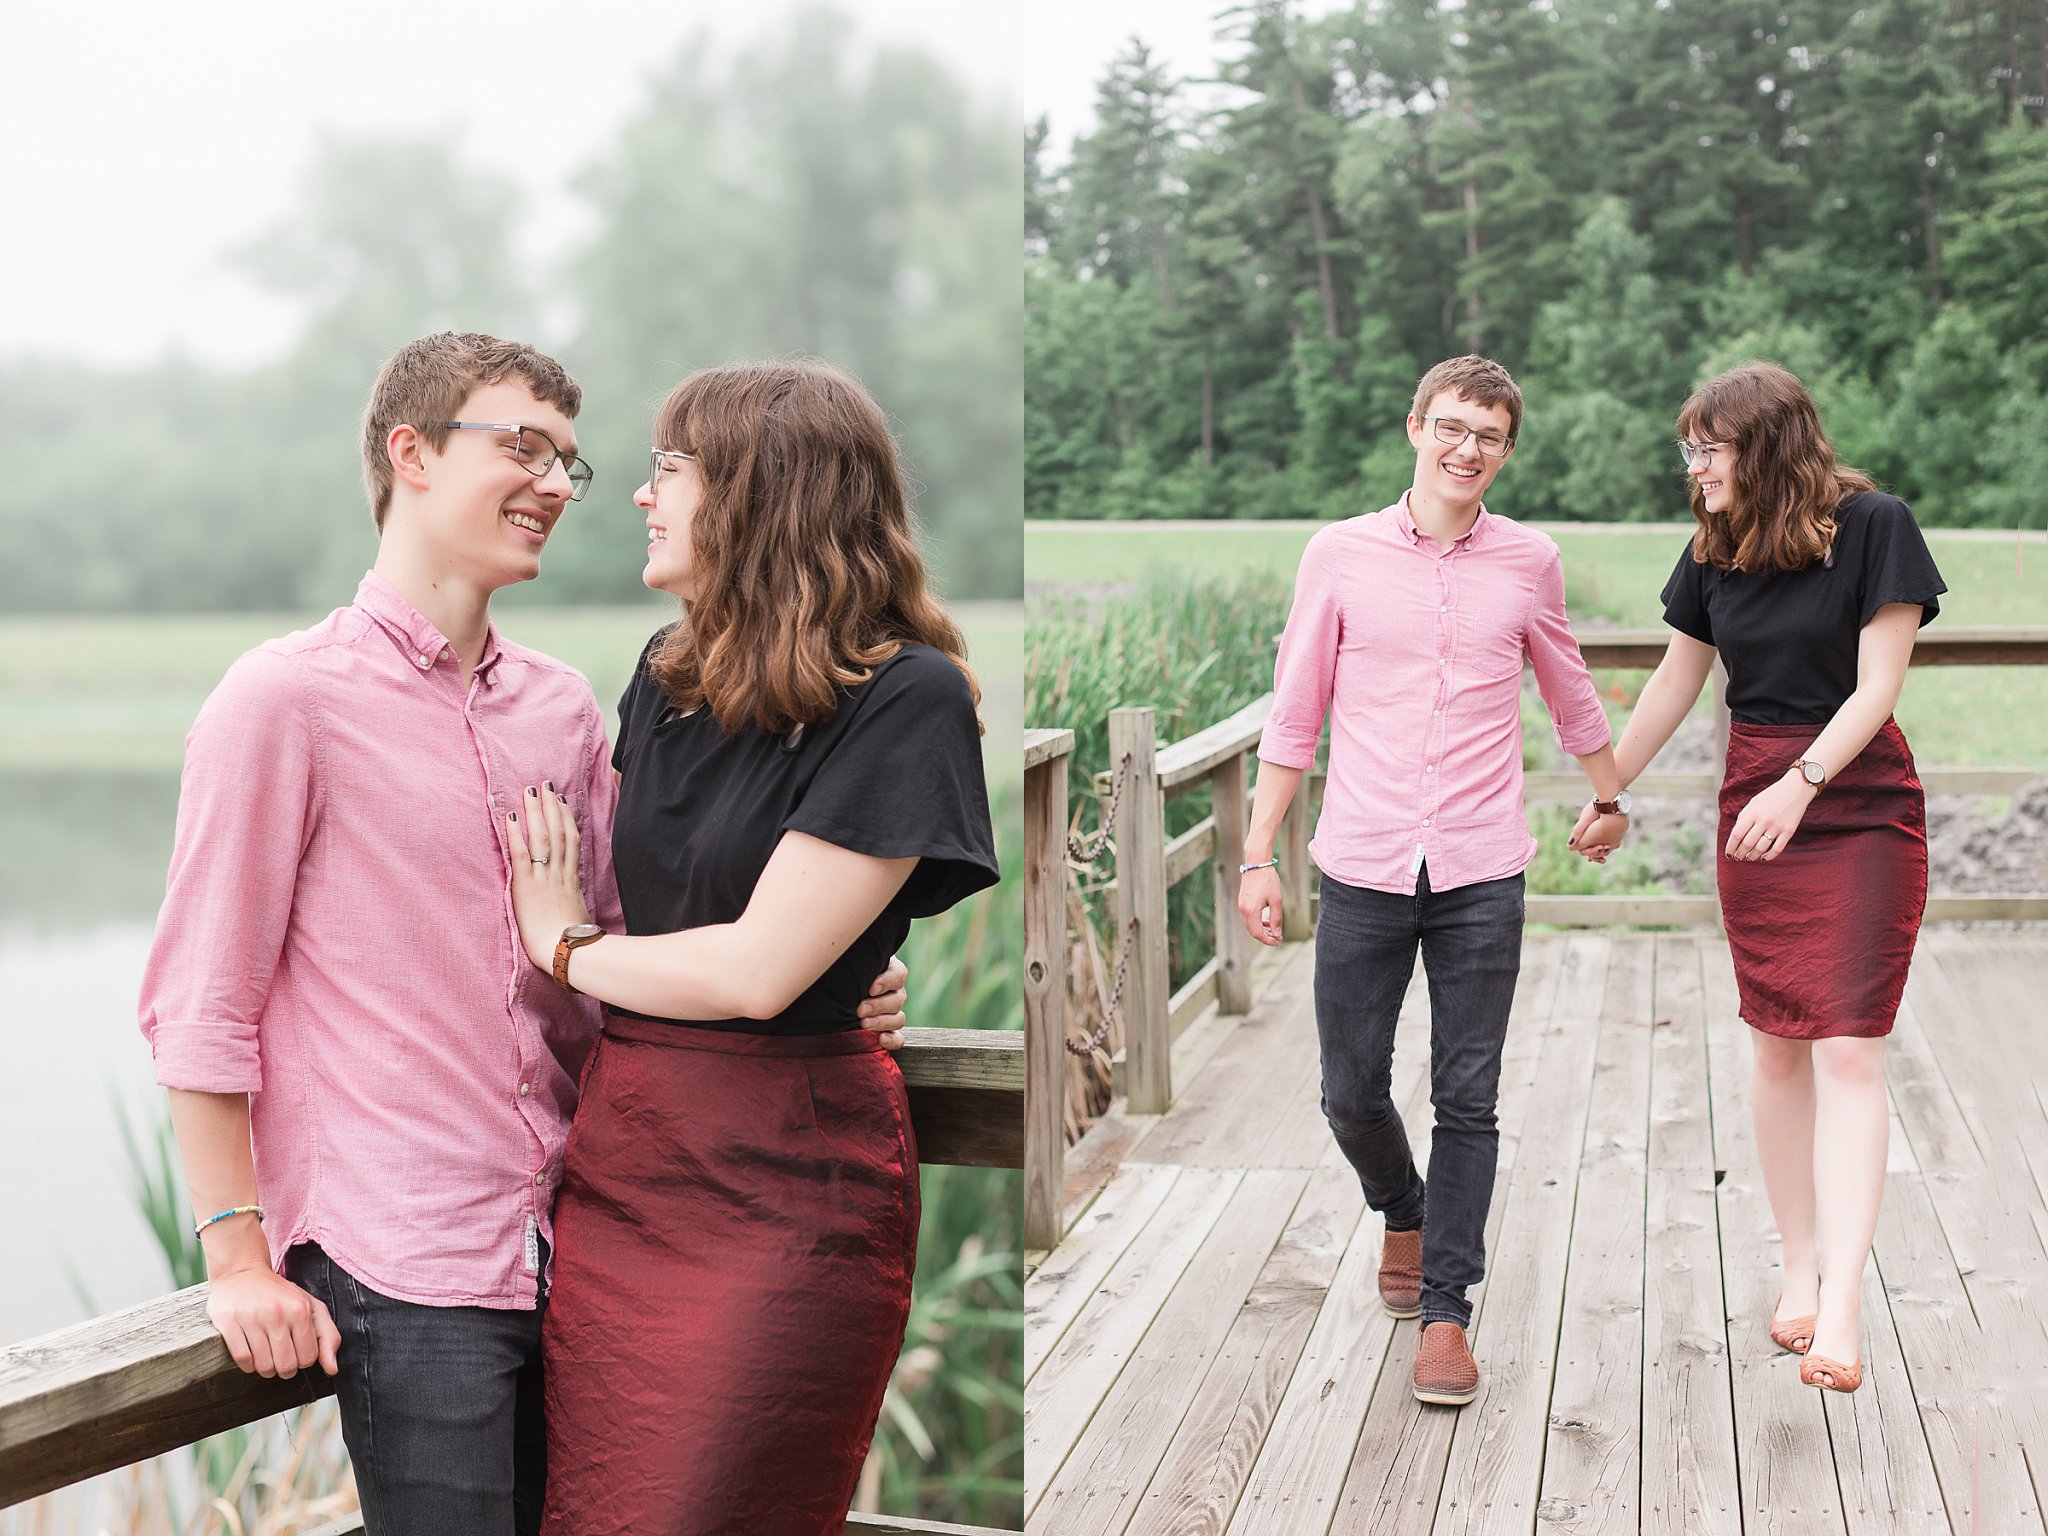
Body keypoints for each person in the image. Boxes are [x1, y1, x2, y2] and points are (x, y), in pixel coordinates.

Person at [138, 332, 908, 1535]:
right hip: (407, 1257)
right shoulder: (282, 700)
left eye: (568, 462)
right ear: (413, 455)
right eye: (523, 449)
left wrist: (832, 964)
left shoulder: (557, 705)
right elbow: (201, 1000)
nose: (556, 484)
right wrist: (237, 1257)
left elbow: (619, 941)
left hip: (589, 1232)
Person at [501, 359, 998, 1533]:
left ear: (765, 492)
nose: (637, 493)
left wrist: (559, 945)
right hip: (626, 1172)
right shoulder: (666, 679)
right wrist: (839, 958)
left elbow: (755, 971)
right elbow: (696, 920)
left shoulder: (908, 697)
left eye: (668, 467)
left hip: (787, 1192)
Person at [1236, 355, 1629, 1407]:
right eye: (1450, 427)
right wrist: (1255, 854)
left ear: (1505, 450)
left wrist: (1607, 793)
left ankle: (1446, 1313)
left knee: (1467, 1097)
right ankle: (1401, 1212)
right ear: (1414, 427)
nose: (1466, 450)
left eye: (1488, 436)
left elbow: (1566, 684)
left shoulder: (1527, 561)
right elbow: (1292, 715)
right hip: (1361, 863)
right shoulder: (1339, 555)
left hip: (1478, 866)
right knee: (1347, 1090)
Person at [1570, 361, 1943, 1394]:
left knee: (1847, 1051)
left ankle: (1840, 1310)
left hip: (1855, 803)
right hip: (1752, 808)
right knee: (1775, 1046)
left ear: (1765, 444)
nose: (1692, 468)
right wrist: (1607, 792)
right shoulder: (1712, 549)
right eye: (1686, 449)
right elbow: (1674, 684)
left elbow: (1877, 688)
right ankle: (1795, 1264)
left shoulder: (1874, 527)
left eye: (1708, 447)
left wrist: (1802, 783)